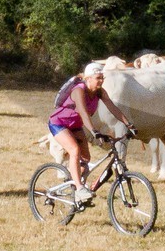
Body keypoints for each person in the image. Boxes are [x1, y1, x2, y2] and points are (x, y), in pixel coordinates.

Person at [48, 68, 134, 202]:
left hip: (75, 126)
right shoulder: (78, 90)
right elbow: (83, 112)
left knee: (86, 159)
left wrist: (128, 124)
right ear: (88, 78)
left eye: (102, 78)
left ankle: (74, 184)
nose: (101, 81)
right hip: (59, 123)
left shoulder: (99, 92)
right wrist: (94, 131)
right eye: (98, 78)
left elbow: (112, 107)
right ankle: (79, 189)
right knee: (74, 150)